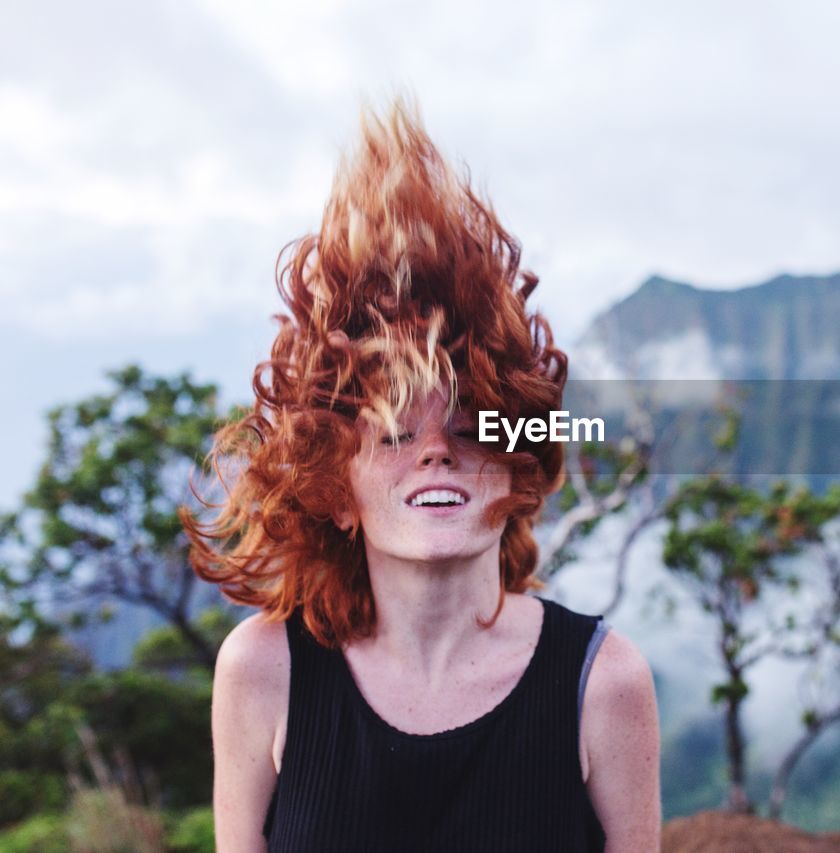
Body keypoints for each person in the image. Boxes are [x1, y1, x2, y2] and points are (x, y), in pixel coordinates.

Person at [181, 97, 661, 852]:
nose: (437, 450)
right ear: (335, 488)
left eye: (473, 428)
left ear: (518, 465)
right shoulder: (263, 670)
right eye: (396, 432)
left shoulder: (603, 682)